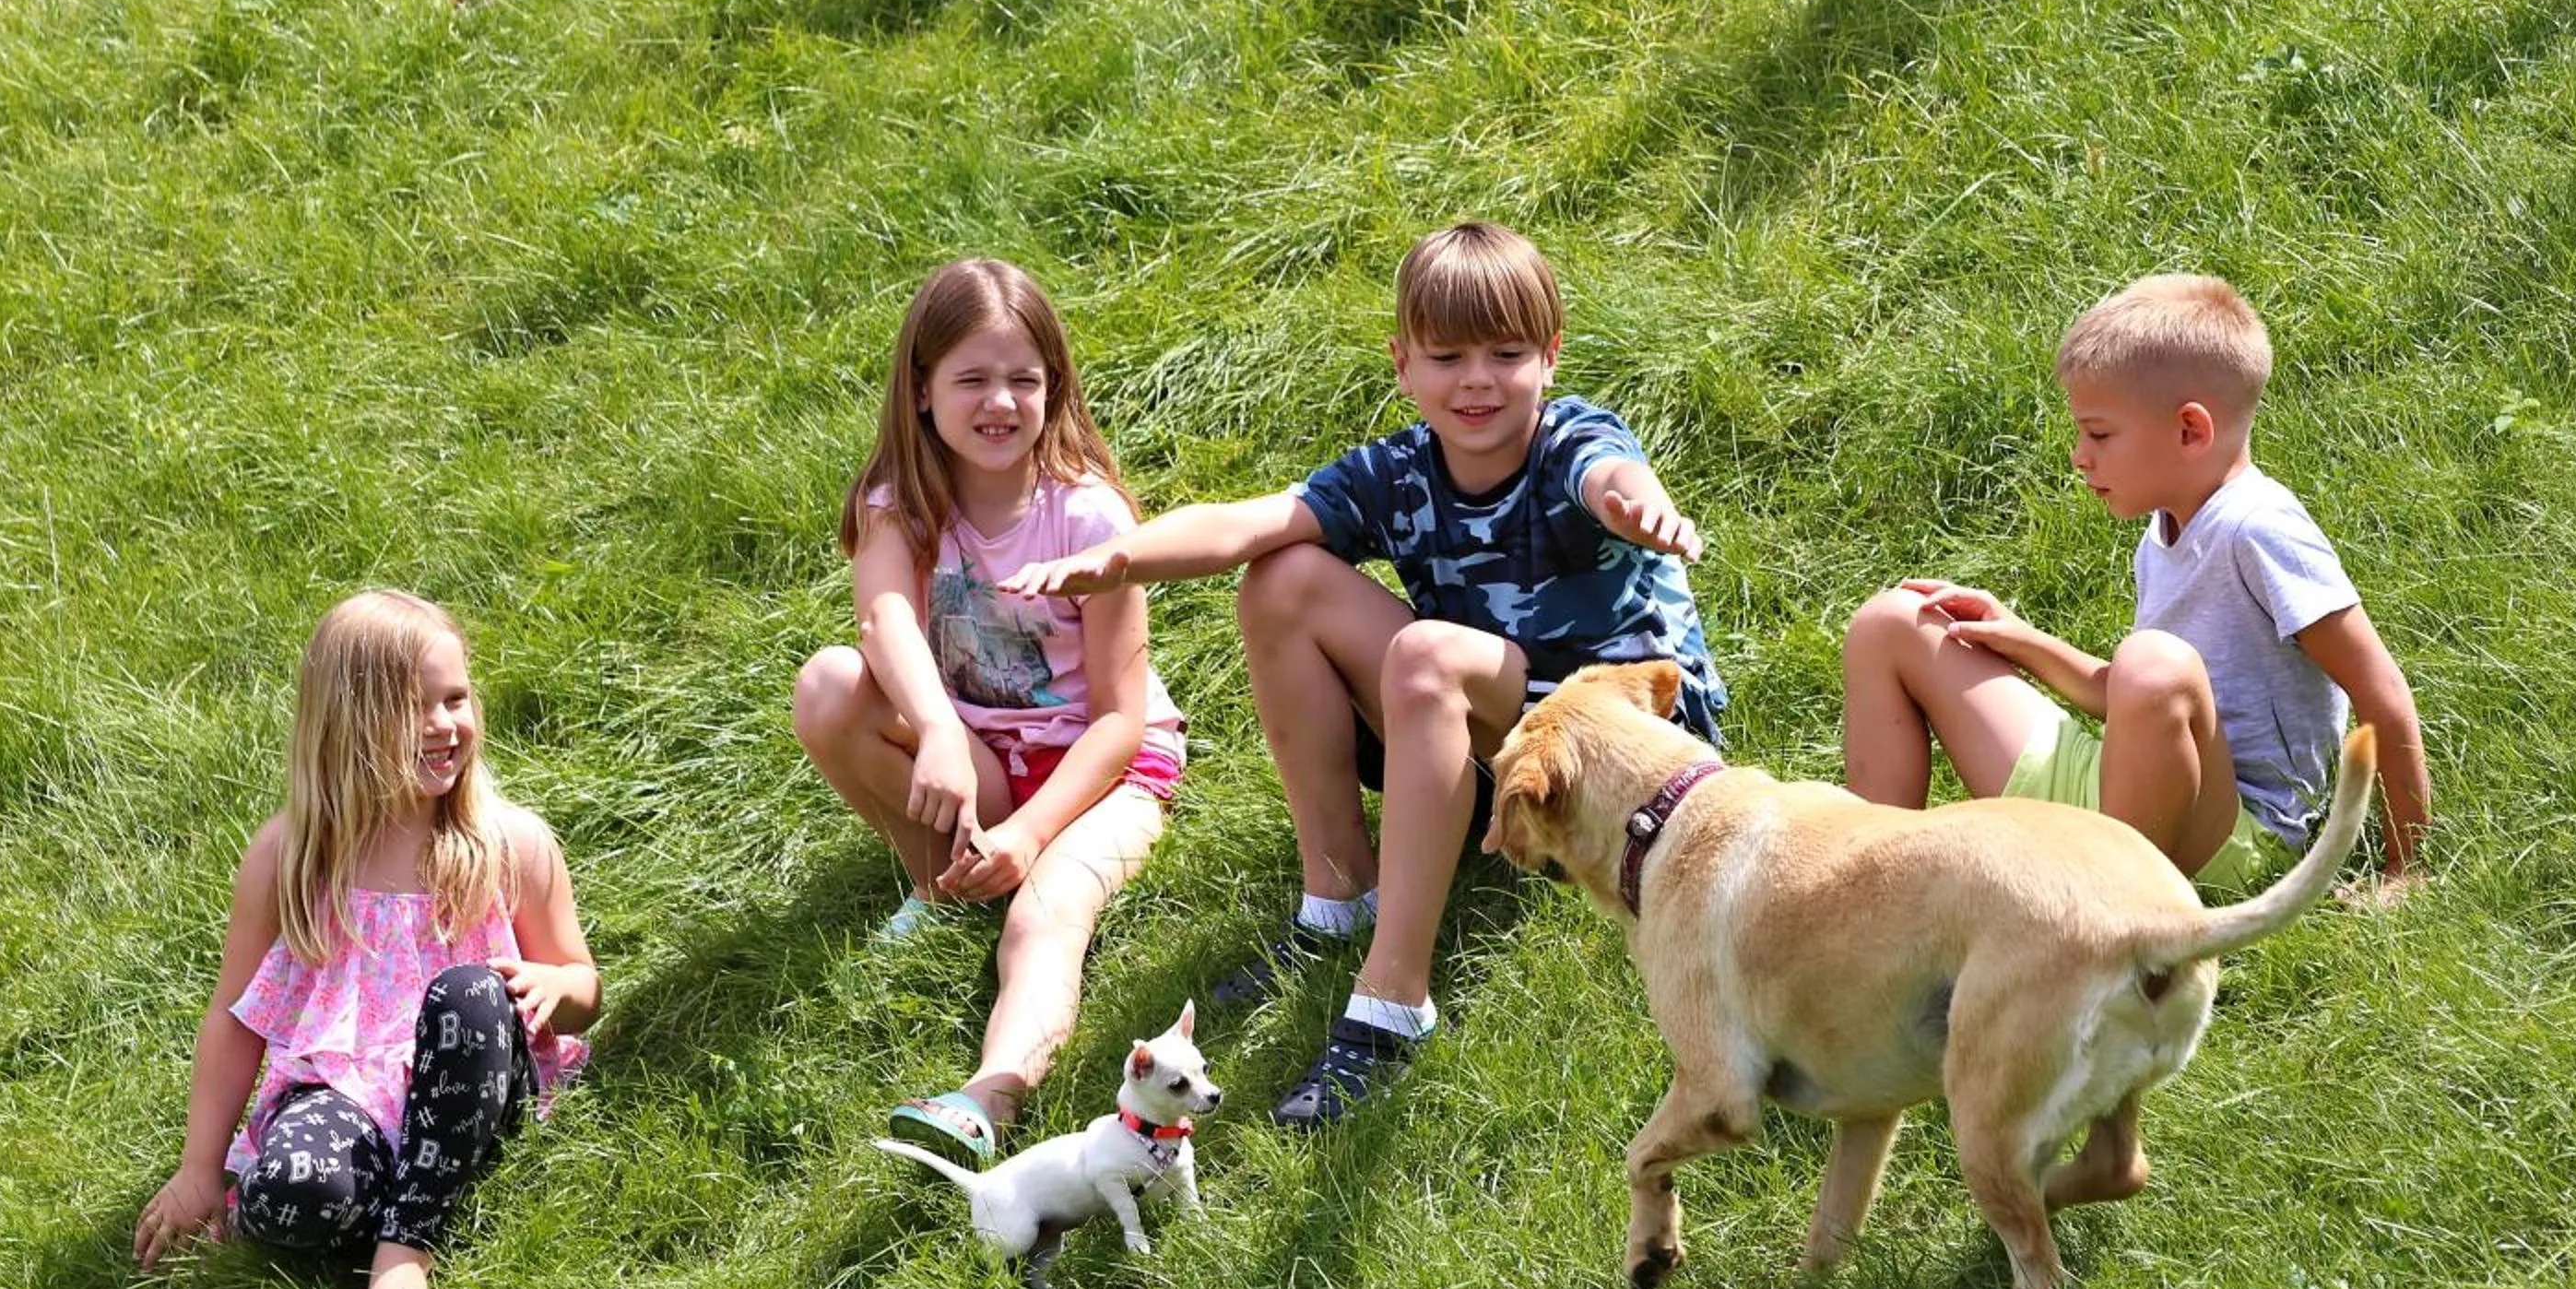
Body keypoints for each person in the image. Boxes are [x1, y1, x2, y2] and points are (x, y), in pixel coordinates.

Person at [1001, 221, 1724, 1126]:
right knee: (1281, 579)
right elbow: (1247, 523)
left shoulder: (1574, 438)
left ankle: (1392, 1001)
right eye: (1447, 356)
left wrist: (1639, 508)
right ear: (1403, 365)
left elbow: (1609, 477)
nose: (1477, 379)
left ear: (1550, 355)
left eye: (1506, 354)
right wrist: (1119, 557)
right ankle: (1338, 897)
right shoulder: (1400, 470)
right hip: (1500, 725)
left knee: (1426, 653)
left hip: (1625, 758)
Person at [1839, 272, 2430, 899]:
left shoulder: (2259, 528)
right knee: (1895, 621)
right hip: (2130, 803)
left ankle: (2106, 924)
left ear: (2190, 430)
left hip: (2236, 837)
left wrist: (2403, 870)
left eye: (2099, 434)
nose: (2079, 455)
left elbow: (2380, 691)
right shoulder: (2166, 530)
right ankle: (1870, 897)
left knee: (2151, 663)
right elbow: (2136, 702)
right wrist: (2018, 638)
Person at [132, 589, 600, 1289]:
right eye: (417, 708)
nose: (446, 725)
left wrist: (556, 986)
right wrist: (199, 1167)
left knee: (469, 997)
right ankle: (388, 1195)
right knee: (285, 1195)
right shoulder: (291, 858)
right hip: (344, 1095)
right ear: (348, 722)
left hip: (473, 1087)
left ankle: (405, 1249)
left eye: (456, 699)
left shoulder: (511, 843)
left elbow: (584, 984)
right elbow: (236, 1018)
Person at [792, 258, 1185, 1165]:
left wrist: (1032, 834)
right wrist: (938, 728)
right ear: (922, 389)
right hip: (982, 750)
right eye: (972, 378)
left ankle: (986, 1099)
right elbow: (883, 619)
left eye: (1023, 379)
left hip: (1102, 772)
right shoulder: (900, 504)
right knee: (828, 685)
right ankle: (940, 883)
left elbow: (1119, 720)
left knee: (1043, 916)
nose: (1000, 401)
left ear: (1055, 387)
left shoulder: (1089, 518)